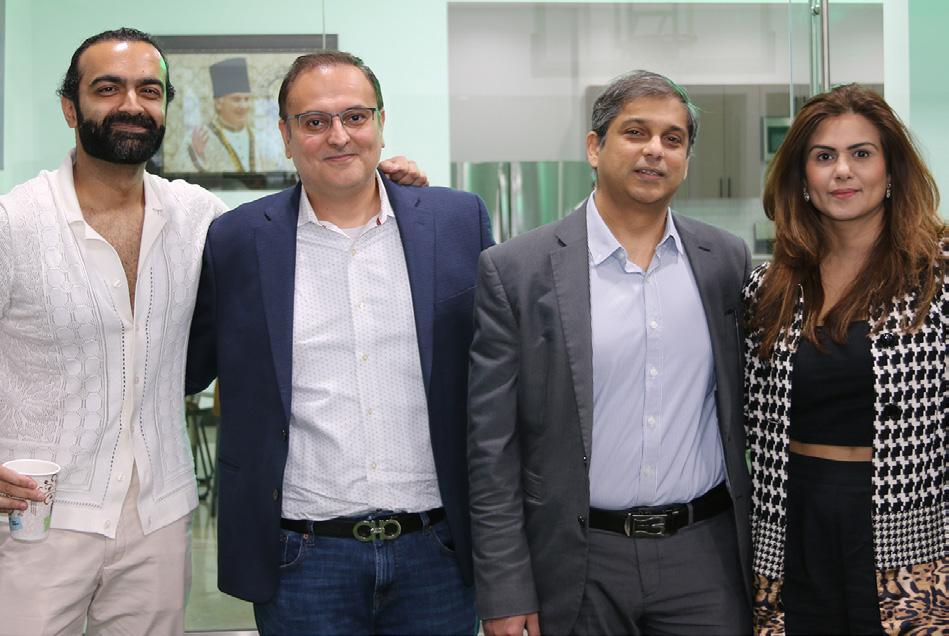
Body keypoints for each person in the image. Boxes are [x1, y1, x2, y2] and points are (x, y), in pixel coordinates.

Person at [0, 28, 426, 635]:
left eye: (149, 91)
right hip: (37, 518)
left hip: (159, 518)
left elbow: (294, 224)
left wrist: (372, 177)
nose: (131, 104)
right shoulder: (14, 223)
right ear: (71, 108)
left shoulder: (198, 218)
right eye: (108, 89)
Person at [185, 51, 492, 635]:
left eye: (355, 116)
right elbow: (186, 366)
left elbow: (499, 373)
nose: (339, 136)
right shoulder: (237, 240)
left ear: (381, 123)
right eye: (315, 121)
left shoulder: (456, 222)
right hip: (304, 559)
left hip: (438, 551)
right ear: (286, 135)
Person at [467, 69, 753, 636]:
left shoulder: (724, 260)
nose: (655, 150)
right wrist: (504, 591)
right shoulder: (517, 271)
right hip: (579, 560)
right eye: (635, 132)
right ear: (595, 148)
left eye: (673, 139)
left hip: (705, 559)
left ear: (686, 158)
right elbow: (490, 449)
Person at [743, 84, 946, 634]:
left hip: (911, 524)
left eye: (861, 153)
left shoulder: (938, 279)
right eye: (823, 156)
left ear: (891, 170)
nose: (842, 172)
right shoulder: (768, 288)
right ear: (802, 177)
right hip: (790, 522)